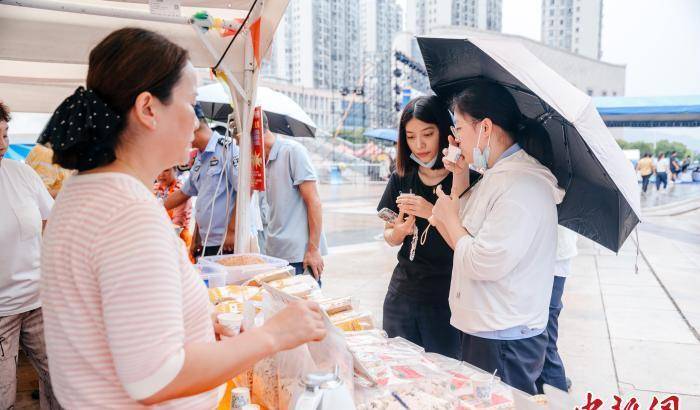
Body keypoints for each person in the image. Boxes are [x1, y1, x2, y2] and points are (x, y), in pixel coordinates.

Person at [39, 28, 326, 408]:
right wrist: (273, 334)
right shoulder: (128, 213)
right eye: (191, 103)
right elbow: (157, 377)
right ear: (148, 109)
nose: (196, 122)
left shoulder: (87, 191)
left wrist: (200, 321)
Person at [430, 80, 564, 395]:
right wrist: (460, 174)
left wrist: (448, 218)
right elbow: (467, 232)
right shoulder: (499, 176)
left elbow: (481, 261)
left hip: (503, 338)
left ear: (485, 128)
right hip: (489, 328)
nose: (457, 140)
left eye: (460, 129)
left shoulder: (521, 185)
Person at [377, 96, 477, 359]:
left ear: (445, 132)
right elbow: (389, 235)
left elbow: (470, 246)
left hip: (447, 299)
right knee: (399, 372)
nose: (419, 145)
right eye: (410, 137)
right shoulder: (401, 177)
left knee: (444, 381)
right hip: (402, 295)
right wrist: (399, 232)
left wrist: (430, 211)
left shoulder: (468, 181)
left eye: (428, 134)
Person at [0, 101, 62, 409]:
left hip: (39, 302)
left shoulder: (22, 174)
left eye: (5, 135)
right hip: (1, 312)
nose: (3, 145)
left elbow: (50, 221)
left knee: (64, 383)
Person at [164, 104, 239, 257]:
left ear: (193, 126)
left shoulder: (228, 149)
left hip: (226, 242)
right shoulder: (199, 157)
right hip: (206, 242)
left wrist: (232, 231)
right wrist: (153, 206)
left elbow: (245, 191)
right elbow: (186, 193)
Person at [262, 112, 327, 280]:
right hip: (274, 252)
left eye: (241, 141)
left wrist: (313, 250)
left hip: (300, 255)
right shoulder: (261, 162)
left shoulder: (292, 152)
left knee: (305, 303)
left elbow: (314, 202)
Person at [536, 226, 578, 393]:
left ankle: (554, 385)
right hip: (554, 253)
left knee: (544, 331)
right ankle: (551, 380)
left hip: (552, 255)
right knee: (545, 327)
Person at [154, 166, 193, 248]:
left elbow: (178, 222)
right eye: (158, 169)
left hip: (178, 240)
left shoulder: (181, 192)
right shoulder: (154, 188)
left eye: (166, 170)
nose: (161, 174)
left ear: (175, 170)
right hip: (157, 237)